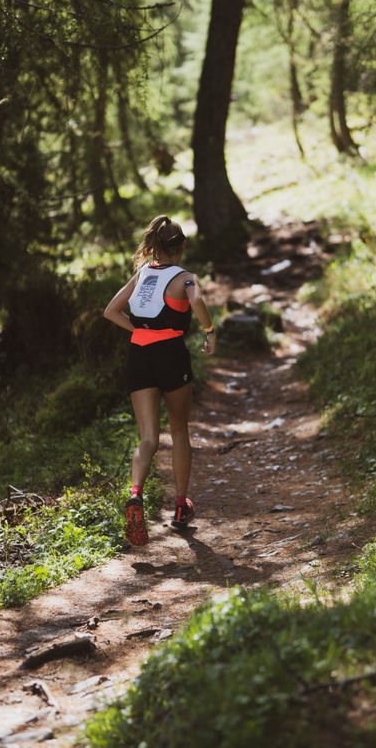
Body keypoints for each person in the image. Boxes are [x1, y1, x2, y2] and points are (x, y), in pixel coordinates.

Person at [104, 215, 217, 546]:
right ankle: (181, 508)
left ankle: (136, 493)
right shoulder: (185, 278)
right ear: (182, 245)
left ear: (155, 245)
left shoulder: (141, 274)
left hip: (138, 357)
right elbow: (196, 301)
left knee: (148, 438)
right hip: (171, 355)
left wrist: (139, 330)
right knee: (179, 430)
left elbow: (110, 310)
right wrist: (210, 333)